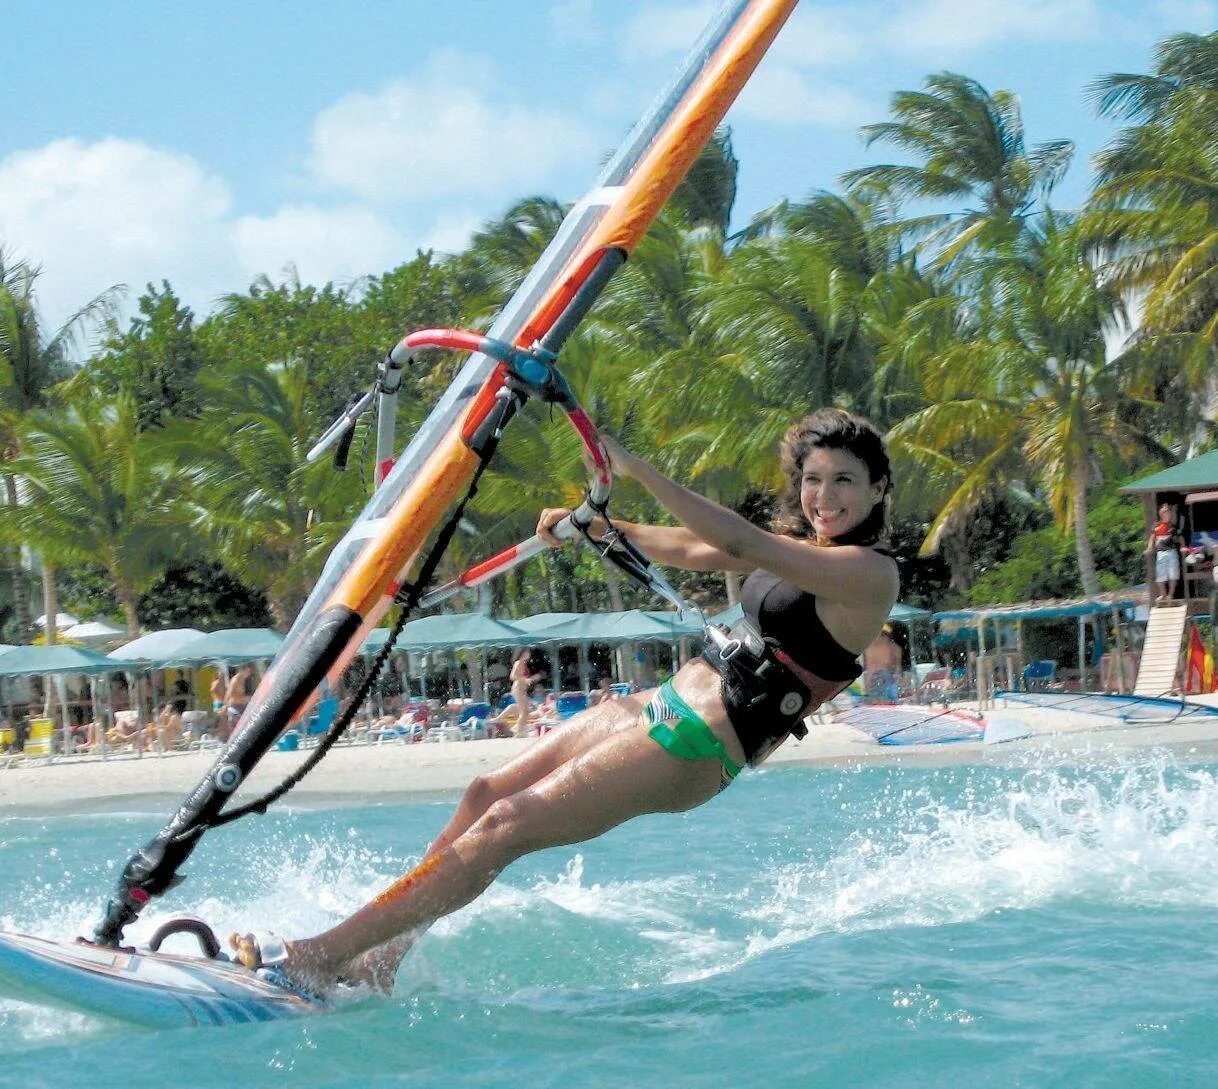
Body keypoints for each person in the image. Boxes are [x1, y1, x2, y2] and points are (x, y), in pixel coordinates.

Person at [231, 409, 899, 994]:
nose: (824, 495)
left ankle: (321, 955)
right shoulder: (801, 549)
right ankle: (379, 959)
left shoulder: (871, 573)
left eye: (844, 480)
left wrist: (633, 468)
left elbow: (737, 542)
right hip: (660, 703)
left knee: (507, 827)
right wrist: (594, 525)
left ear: (877, 489)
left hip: (699, 741)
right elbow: (689, 546)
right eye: (813, 478)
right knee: (484, 795)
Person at [1145, 501, 1184, 604]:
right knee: (1160, 574)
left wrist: (1183, 547)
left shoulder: (1173, 526)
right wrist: (1149, 548)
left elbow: (1180, 538)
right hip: (1161, 553)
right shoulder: (1156, 526)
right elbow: (1152, 538)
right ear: (1160, 513)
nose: (1167, 513)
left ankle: (1170, 595)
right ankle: (1163, 594)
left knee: (1173, 574)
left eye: (1168, 511)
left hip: (1172, 552)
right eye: (1164, 511)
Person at [863, 623, 902, 701]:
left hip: (886, 684)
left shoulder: (894, 648)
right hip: (874, 684)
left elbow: (897, 670)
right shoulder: (868, 647)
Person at [224, 664, 254, 735]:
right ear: (244, 670)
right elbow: (232, 696)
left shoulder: (241, 679)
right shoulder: (236, 680)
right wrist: (247, 698)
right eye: (249, 671)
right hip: (235, 707)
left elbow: (228, 695)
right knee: (239, 730)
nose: (249, 674)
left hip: (238, 707)